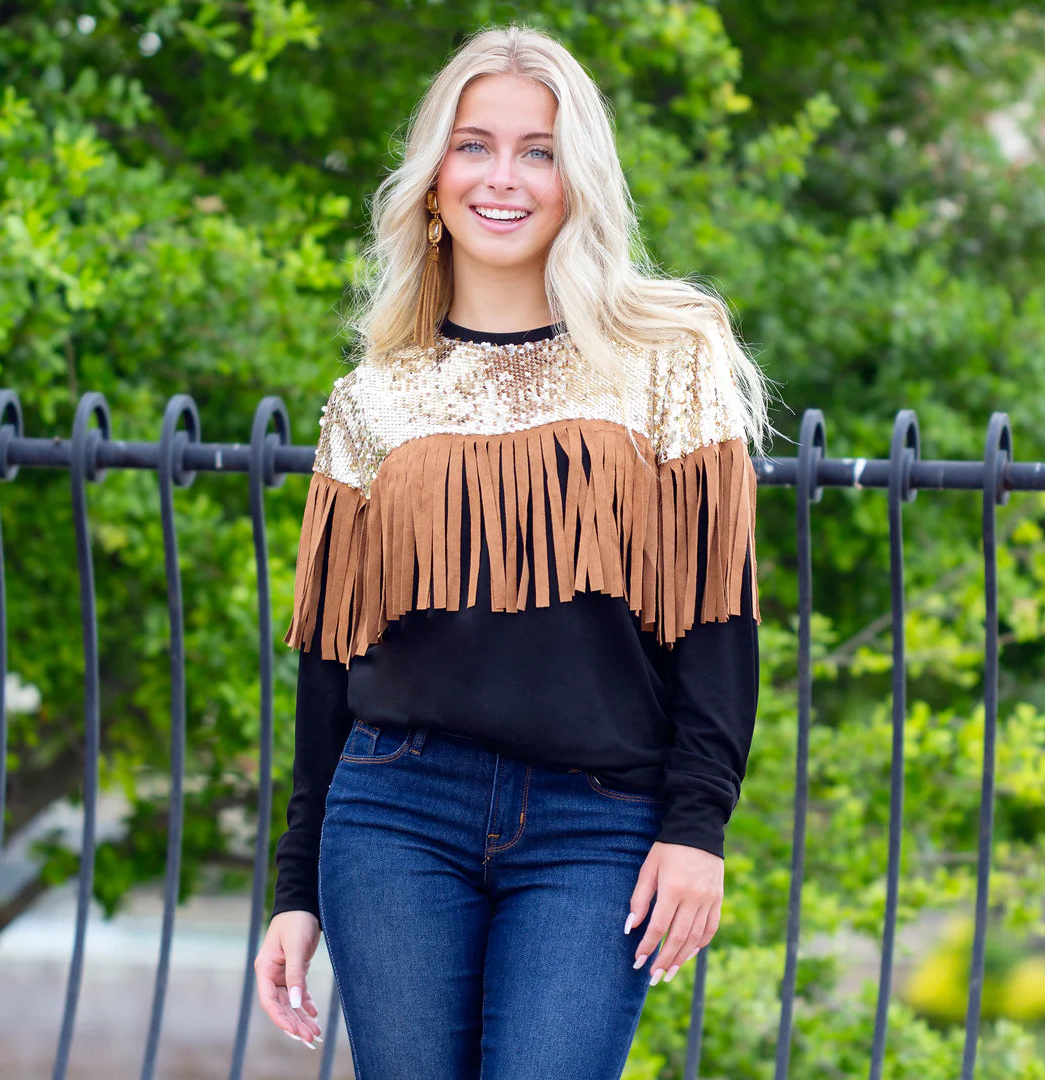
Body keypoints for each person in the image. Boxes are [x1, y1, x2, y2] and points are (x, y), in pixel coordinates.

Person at [254, 22, 768, 1080]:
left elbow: (717, 616)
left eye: (538, 149)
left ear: (577, 178)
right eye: (474, 145)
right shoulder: (372, 398)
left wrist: (698, 825)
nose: (504, 177)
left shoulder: (669, 358)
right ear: (433, 183)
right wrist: (295, 888)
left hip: (600, 824)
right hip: (394, 812)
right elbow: (327, 662)